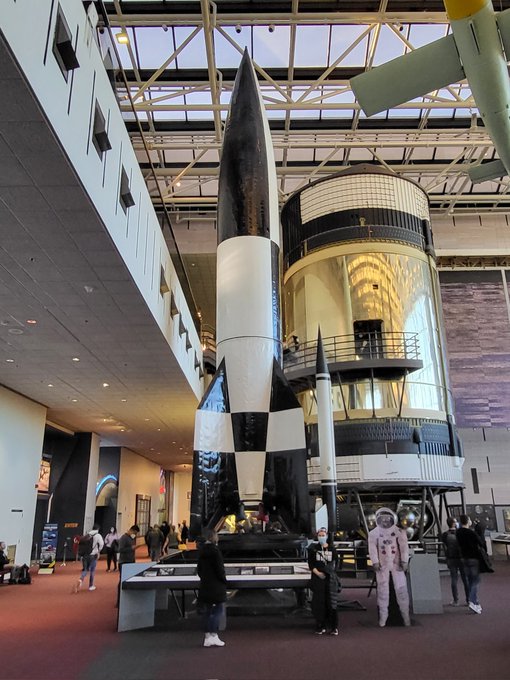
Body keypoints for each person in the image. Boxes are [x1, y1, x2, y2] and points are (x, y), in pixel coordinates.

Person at [368, 507, 411, 627]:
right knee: (383, 592)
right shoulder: (374, 533)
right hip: (382, 566)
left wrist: (404, 561)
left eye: (388, 519)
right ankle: (383, 619)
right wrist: (375, 562)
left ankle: (406, 617)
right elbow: (372, 549)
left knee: (402, 591)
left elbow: (404, 548)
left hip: (397, 565)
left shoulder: (399, 532)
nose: (385, 521)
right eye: (383, 519)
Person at [197, 528, 227, 648]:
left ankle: (207, 637)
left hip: (205, 586)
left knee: (207, 612)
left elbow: (199, 570)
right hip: (216, 587)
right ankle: (214, 635)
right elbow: (220, 570)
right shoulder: (216, 552)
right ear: (214, 538)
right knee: (218, 610)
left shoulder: (202, 551)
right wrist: (224, 581)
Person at [307, 527, 339, 635]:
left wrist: (329, 572)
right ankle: (321, 625)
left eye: (323, 535)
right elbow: (311, 564)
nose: (321, 537)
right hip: (318, 578)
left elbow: (336, 563)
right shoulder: (314, 549)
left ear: (326, 536)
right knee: (319, 602)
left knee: (331, 602)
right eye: (320, 535)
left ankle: (333, 626)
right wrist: (318, 573)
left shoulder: (332, 549)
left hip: (330, 579)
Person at [456, 514, 485, 614]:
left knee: (470, 580)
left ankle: (475, 602)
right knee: (475, 581)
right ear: (468, 521)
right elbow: (481, 542)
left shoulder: (458, 533)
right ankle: (472, 601)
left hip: (464, 558)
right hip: (473, 558)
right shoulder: (471, 533)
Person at [441, 517, 469, 606]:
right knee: (465, 579)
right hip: (461, 558)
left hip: (451, 558)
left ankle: (455, 600)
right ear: (454, 523)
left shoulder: (445, 534)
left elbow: (445, 545)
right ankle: (468, 600)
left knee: (454, 579)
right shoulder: (460, 533)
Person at [74, 524, 104, 593]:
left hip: (85, 555)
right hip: (93, 555)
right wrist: (99, 551)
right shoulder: (98, 535)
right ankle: (91, 585)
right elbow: (101, 544)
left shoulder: (87, 534)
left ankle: (81, 579)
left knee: (85, 570)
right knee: (92, 570)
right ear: (98, 529)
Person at [116, 524, 140, 608]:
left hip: (130, 561)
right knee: (122, 580)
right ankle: (119, 601)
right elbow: (120, 549)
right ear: (132, 530)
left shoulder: (131, 538)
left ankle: (127, 600)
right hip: (124, 562)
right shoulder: (124, 538)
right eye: (135, 533)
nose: (135, 535)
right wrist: (131, 548)